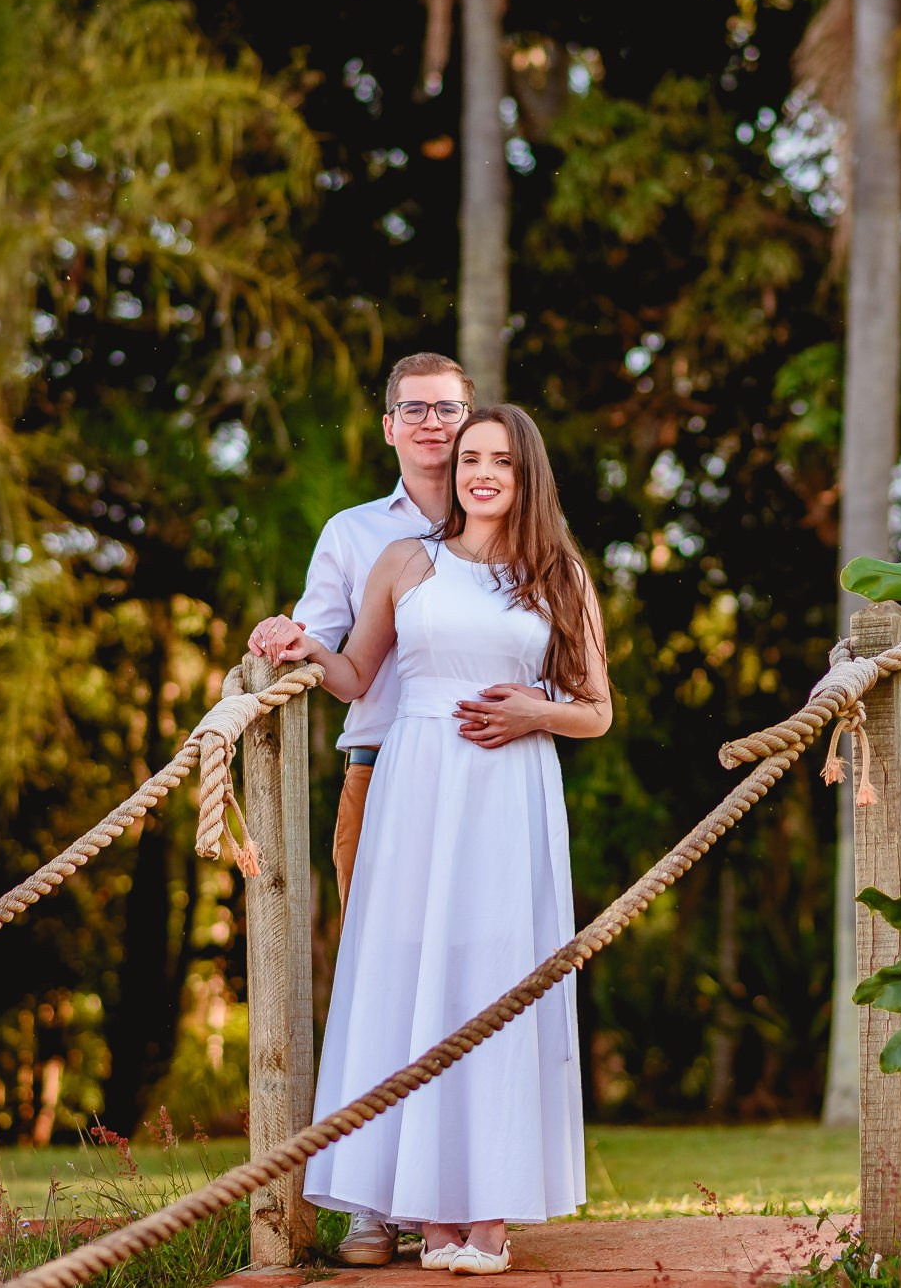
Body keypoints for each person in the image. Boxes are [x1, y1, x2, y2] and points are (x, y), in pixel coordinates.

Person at [277, 405, 611, 1277]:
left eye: (500, 458)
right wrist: (302, 641)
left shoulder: (558, 574)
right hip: (417, 782)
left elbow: (597, 710)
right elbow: (355, 676)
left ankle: (490, 1219)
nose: (482, 471)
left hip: (510, 791)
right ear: (453, 470)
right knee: (415, 975)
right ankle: (426, 1212)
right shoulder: (405, 561)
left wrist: (535, 711)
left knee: (498, 982)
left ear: (525, 471)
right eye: (470, 457)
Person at [247, 353, 477, 912]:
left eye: (448, 408)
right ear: (389, 426)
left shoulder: (513, 532)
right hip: (378, 767)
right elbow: (314, 642)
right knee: (377, 957)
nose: (432, 422)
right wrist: (285, 633)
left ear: (469, 421)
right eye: (414, 408)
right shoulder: (351, 532)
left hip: (482, 770)